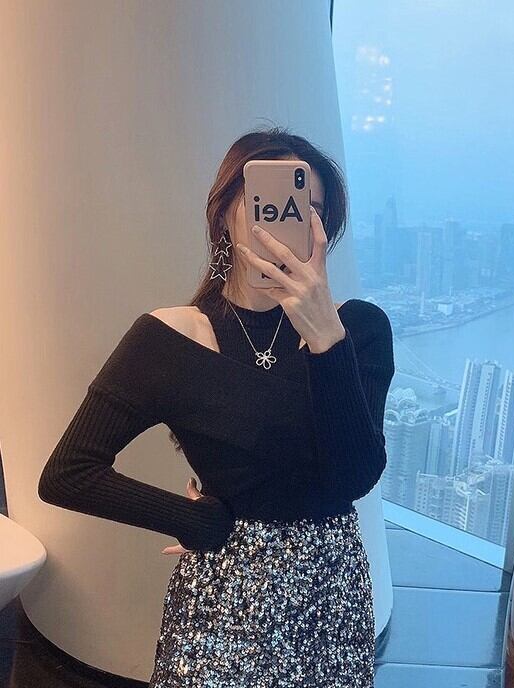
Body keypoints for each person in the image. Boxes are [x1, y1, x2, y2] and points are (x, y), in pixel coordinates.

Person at [38, 126, 395, 686]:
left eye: (311, 210)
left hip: (330, 590)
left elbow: (355, 475)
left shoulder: (359, 329)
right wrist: (192, 519)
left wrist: (327, 340)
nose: (289, 221)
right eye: (269, 203)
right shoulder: (170, 339)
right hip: (223, 597)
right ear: (225, 211)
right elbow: (67, 473)